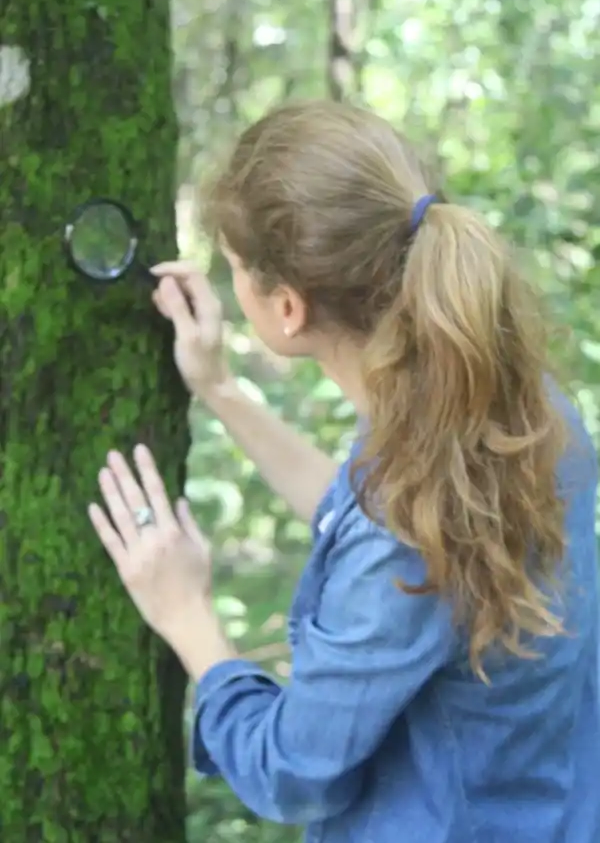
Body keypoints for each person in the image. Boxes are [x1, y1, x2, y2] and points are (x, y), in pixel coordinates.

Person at [88, 100, 600, 843]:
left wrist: (184, 613)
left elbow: (292, 770)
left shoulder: (407, 508)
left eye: (234, 267)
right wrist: (222, 391)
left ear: (288, 307)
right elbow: (392, 521)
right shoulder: (522, 407)